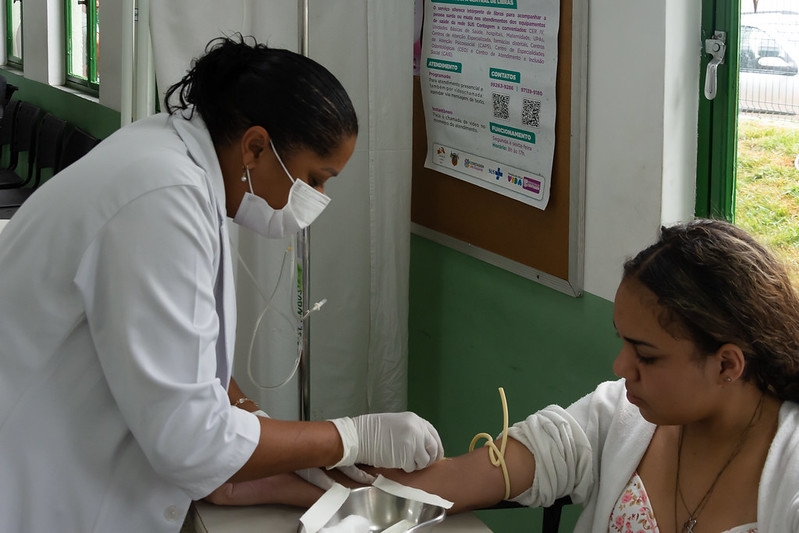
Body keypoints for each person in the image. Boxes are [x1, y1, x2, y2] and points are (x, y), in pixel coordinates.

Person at [0, 36, 443, 533]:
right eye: (315, 179)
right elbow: (189, 440)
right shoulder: (164, 198)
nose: (317, 198)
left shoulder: (171, 158)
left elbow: (188, 354)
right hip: (29, 482)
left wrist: (266, 428)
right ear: (255, 146)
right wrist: (350, 438)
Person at [220, 220, 799, 532]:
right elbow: (451, 484)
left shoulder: (789, 480)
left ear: (727, 364)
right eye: (621, 343)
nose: (621, 369)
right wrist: (288, 480)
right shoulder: (613, 419)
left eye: (646, 356)